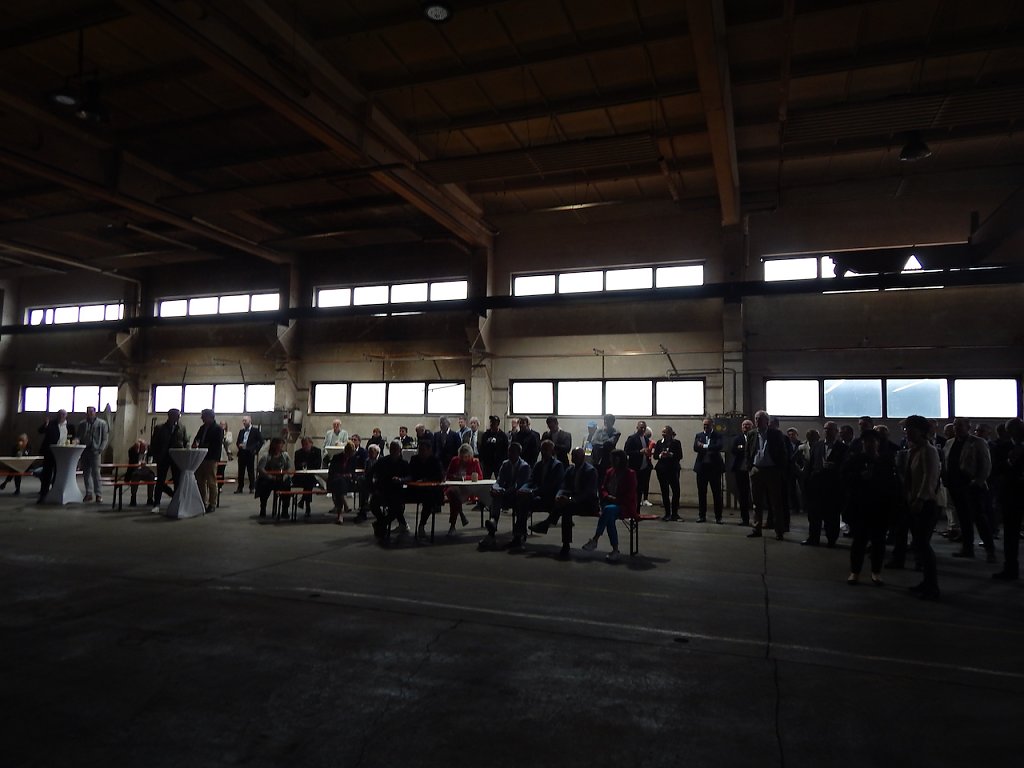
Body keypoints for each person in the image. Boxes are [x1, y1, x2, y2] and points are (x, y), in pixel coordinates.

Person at [844, 430, 896, 585]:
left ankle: (876, 572)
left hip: (880, 507)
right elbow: (843, 477)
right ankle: (855, 572)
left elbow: (892, 484)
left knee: (878, 542)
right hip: (860, 506)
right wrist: (859, 477)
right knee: (859, 542)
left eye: (872, 442)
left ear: (878, 444)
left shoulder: (885, 461)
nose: (869, 445)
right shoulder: (855, 460)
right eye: (866, 442)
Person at [530, 447, 599, 560]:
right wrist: (559, 496)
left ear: (582, 457)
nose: (573, 458)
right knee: (564, 506)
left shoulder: (590, 471)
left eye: (575, 455)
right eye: (572, 455)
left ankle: (549, 526)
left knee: (566, 508)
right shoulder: (570, 469)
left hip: (587, 503)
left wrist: (570, 499)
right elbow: (563, 486)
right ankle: (561, 539)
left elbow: (588, 492)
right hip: (572, 500)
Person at [944, 417, 995, 562]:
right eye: (955, 425)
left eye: (960, 425)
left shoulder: (978, 442)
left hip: (972, 486)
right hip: (955, 486)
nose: (956, 428)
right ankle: (967, 548)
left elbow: (985, 465)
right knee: (963, 519)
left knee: (979, 518)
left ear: (968, 427)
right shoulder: (949, 443)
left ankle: (990, 550)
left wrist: (978, 482)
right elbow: (947, 462)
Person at [903, 415, 943, 599]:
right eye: (906, 429)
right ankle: (927, 582)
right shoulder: (914, 450)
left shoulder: (929, 450)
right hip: (914, 502)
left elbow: (930, 478)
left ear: (921, 431)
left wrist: (920, 499)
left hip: (926, 503)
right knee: (919, 544)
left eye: (911, 429)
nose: (907, 432)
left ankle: (932, 586)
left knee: (923, 545)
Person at [502, 439, 564, 552]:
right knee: (522, 500)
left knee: (524, 501)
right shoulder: (538, 464)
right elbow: (531, 481)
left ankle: (519, 535)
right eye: (542, 449)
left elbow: (551, 486)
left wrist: (532, 492)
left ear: (552, 451)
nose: (543, 452)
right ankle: (519, 535)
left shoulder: (557, 466)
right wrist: (523, 489)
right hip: (538, 495)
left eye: (546, 450)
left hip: (551, 498)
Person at [582, 449, 638, 562]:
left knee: (607, 511)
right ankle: (615, 550)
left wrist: (617, 500)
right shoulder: (609, 472)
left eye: (614, 458)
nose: (612, 461)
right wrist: (607, 496)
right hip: (609, 503)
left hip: (624, 505)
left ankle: (595, 539)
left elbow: (631, 493)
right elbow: (603, 488)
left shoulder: (630, 474)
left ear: (621, 459)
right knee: (609, 518)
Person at [802, 421, 847, 547]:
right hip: (816, 485)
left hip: (833, 486)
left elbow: (846, 466)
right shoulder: (817, 445)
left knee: (831, 515)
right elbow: (810, 464)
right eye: (826, 429)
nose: (827, 431)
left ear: (836, 432)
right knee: (814, 514)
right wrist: (807, 481)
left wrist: (835, 467)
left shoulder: (842, 448)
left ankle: (831, 539)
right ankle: (813, 538)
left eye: (830, 429)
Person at [746, 410, 788, 540]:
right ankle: (756, 528)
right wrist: (750, 467)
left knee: (776, 502)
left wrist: (779, 469)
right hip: (756, 470)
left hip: (772, 470)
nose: (757, 421)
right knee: (756, 502)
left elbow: (782, 452)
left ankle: (779, 531)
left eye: (760, 419)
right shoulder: (751, 434)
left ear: (767, 421)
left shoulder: (775, 434)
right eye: (756, 418)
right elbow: (748, 451)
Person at [483, 441, 532, 549]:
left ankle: (515, 535)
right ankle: (492, 527)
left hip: (518, 496)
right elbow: (499, 480)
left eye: (512, 452)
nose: (510, 454)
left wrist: (503, 491)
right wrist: (495, 488)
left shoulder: (524, 467)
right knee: (495, 497)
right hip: (506, 494)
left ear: (518, 453)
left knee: (516, 500)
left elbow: (518, 485)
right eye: (509, 451)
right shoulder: (505, 464)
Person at [993, 418, 1024, 580]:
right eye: (1016, 429)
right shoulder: (1002, 447)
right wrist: (1010, 461)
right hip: (1011, 495)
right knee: (1010, 534)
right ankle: (1010, 568)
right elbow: (996, 470)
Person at [371, 441, 412, 541]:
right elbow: (371, 473)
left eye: (395, 449)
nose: (393, 451)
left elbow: (410, 477)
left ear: (399, 450)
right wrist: (373, 488)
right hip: (382, 490)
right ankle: (382, 522)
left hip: (396, 491)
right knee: (373, 503)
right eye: (392, 449)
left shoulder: (404, 463)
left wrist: (400, 480)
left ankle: (381, 524)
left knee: (396, 507)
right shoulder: (382, 461)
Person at [149, 409, 188, 511]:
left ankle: (176, 502)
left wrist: (183, 450)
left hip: (177, 458)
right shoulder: (159, 428)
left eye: (179, 416)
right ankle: (156, 504)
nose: (178, 418)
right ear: (170, 416)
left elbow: (185, 441)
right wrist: (156, 456)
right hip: (163, 458)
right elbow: (154, 443)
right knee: (160, 481)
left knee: (177, 481)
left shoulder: (182, 428)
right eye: (177, 416)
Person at [408, 440, 444, 539]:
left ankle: (422, 524)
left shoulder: (435, 460)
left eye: (423, 450)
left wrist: (425, 480)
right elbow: (410, 474)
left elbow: (440, 476)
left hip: (430, 490)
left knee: (429, 500)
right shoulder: (414, 459)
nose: (421, 452)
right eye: (420, 450)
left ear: (429, 450)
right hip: (415, 489)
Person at [444, 444, 483, 536]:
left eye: (465, 457)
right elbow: (448, 475)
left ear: (470, 456)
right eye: (461, 457)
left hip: (467, 488)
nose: (463, 459)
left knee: (454, 498)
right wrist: (454, 477)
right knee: (452, 493)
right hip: (454, 486)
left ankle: (453, 524)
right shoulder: (454, 460)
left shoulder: (474, 462)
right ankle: (460, 514)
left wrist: (465, 478)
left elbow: (480, 476)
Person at [692, 417, 725, 523]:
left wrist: (704, 446)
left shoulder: (718, 435)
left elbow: (719, 446)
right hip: (702, 468)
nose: (705, 427)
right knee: (702, 493)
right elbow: (696, 448)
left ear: (712, 425)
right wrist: (709, 447)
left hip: (714, 468)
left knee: (717, 493)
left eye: (707, 425)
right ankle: (702, 516)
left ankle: (718, 517)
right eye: (704, 425)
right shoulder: (699, 435)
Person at [192, 408, 223, 515]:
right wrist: (195, 444)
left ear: (210, 417)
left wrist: (203, 445)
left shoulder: (218, 429)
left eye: (203, 416)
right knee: (200, 481)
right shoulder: (202, 428)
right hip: (201, 458)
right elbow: (197, 439)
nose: (202, 418)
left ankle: (212, 503)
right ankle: (202, 501)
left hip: (211, 458)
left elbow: (216, 444)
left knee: (211, 481)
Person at [77, 406, 110, 503]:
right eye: (88, 412)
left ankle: (98, 494)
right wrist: (76, 441)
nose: (90, 413)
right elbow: (78, 436)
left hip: (95, 451)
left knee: (96, 473)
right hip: (84, 450)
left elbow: (105, 438)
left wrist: (100, 449)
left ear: (95, 413)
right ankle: (89, 493)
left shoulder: (102, 424)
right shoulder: (82, 424)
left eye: (91, 412)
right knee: (86, 473)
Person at [36, 410, 69, 503]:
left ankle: (55, 493)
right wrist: (45, 425)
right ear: (57, 415)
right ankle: (43, 495)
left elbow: (72, 437)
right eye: (60, 414)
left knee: (58, 474)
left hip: (62, 453)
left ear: (66, 416)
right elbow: (40, 431)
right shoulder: (51, 424)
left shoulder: (69, 426)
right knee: (47, 474)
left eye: (63, 414)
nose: (61, 416)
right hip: (50, 452)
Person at [255, 437, 291, 519]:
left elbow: (289, 468)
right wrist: (270, 476)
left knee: (287, 487)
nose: (280, 446)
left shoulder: (285, 455)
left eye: (281, 444)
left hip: (281, 478)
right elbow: (261, 468)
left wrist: (285, 476)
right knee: (264, 486)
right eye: (278, 444)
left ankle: (285, 510)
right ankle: (263, 508)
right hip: (269, 478)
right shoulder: (266, 456)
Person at [653, 425, 682, 521]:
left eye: (665, 432)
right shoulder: (659, 443)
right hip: (662, 470)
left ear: (670, 433)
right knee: (664, 492)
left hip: (673, 469)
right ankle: (667, 513)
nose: (663, 434)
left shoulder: (676, 443)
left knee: (676, 491)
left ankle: (675, 514)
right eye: (662, 432)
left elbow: (680, 456)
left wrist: (671, 454)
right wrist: (661, 455)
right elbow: (655, 456)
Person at [729, 420, 753, 526]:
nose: (745, 427)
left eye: (748, 425)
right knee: (743, 495)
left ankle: (758, 519)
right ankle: (745, 519)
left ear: (752, 427)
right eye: (744, 425)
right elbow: (734, 450)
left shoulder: (756, 437)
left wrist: (742, 448)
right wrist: (745, 449)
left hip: (754, 470)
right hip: (741, 470)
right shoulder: (737, 438)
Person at [624, 420, 652, 508]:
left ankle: (637, 510)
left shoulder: (646, 439)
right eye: (641, 428)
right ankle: (631, 508)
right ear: (637, 428)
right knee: (633, 489)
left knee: (640, 490)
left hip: (644, 468)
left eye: (644, 428)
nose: (643, 430)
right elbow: (626, 451)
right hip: (634, 467)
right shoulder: (632, 438)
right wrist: (639, 452)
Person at [326, 441, 356, 522]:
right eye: (349, 452)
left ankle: (340, 515)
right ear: (346, 450)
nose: (350, 454)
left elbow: (353, 472)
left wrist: (349, 475)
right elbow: (332, 471)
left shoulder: (353, 459)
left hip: (346, 481)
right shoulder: (336, 457)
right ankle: (344, 506)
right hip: (335, 480)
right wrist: (342, 475)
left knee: (340, 487)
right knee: (340, 483)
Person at [293, 436, 322, 517]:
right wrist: (304, 465)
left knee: (309, 481)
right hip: (301, 476)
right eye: (303, 444)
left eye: (306, 444)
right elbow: (297, 466)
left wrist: (307, 465)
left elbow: (317, 465)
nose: (305, 446)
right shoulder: (298, 453)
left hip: (312, 475)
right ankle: (306, 504)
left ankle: (304, 502)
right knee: (308, 482)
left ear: (311, 444)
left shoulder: (317, 451)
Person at [235, 415, 263, 494]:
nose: (244, 422)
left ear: (250, 421)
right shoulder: (241, 431)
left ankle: (252, 487)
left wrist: (255, 450)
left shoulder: (255, 431)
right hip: (242, 453)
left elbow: (261, 441)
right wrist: (239, 445)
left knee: (250, 470)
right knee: (241, 471)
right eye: (243, 421)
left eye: (245, 420)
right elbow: (238, 441)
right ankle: (240, 487)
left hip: (250, 453)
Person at [124, 438, 155, 507]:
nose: (143, 451)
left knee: (151, 477)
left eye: (144, 448)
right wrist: (136, 451)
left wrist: (147, 464)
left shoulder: (150, 450)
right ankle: (133, 498)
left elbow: (152, 461)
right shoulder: (133, 451)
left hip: (147, 470)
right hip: (137, 470)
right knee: (135, 476)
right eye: (141, 449)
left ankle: (150, 498)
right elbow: (132, 463)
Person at [478, 415, 509, 481]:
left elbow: (506, 450)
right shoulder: (486, 435)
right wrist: (481, 460)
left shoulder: (503, 436)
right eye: (491, 422)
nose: (492, 424)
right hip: (487, 463)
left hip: (498, 463)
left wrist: (504, 461)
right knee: (485, 480)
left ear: (498, 424)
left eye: (494, 422)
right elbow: (482, 448)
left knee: (500, 480)